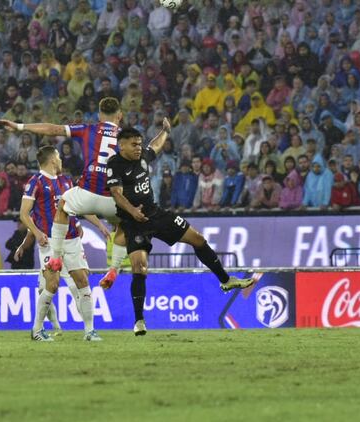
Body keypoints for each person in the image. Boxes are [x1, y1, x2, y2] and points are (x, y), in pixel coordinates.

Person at [106, 126, 255, 336]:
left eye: (139, 144)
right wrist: (132, 211)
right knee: (139, 268)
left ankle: (226, 280)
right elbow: (116, 193)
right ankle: (139, 320)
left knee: (198, 239)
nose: (138, 148)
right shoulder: (114, 164)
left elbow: (155, 146)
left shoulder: (143, 157)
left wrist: (165, 131)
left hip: (155, 214)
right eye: (134, 144)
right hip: (133, 222)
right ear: (121, 145)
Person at [0, 97, 127, 290]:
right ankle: (114, 268)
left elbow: (53, 129)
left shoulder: (89, 129)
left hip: (89, 191)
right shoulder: (128, 137)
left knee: (63, 205)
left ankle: (56, 257)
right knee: (124, 224)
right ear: (120, 115)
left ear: (99, 115)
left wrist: (19, 126)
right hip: (113, 196)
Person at [14, 145, 108, 342]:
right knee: (52, 284)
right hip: (50, 241)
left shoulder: (66, 181)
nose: (61, 160)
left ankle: (90, 331)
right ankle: (37, 330)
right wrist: (37, 233)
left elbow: (80, 206)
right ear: (52, 160)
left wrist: (99, 225)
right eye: (58, 157)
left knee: (82, 281)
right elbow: (24, 214)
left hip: (72, 239)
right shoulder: (35, 182)